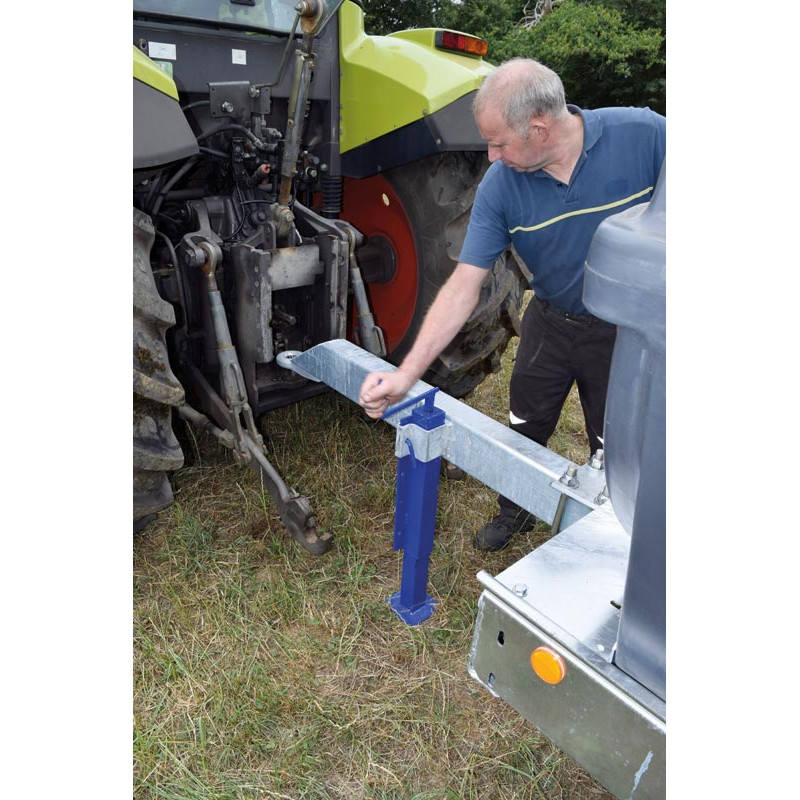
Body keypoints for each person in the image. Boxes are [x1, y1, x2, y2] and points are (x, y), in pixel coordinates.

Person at [358, 58, 666, 551]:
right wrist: (406, 375)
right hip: (551, 320)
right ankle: (515, 510)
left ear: (539, 129)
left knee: (618, 444)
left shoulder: (644, 136)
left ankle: (614, 532)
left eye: (499, 143)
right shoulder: (500, 186)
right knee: (525, 423)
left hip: (623, 332)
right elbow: (463, 286)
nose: (491, 155)